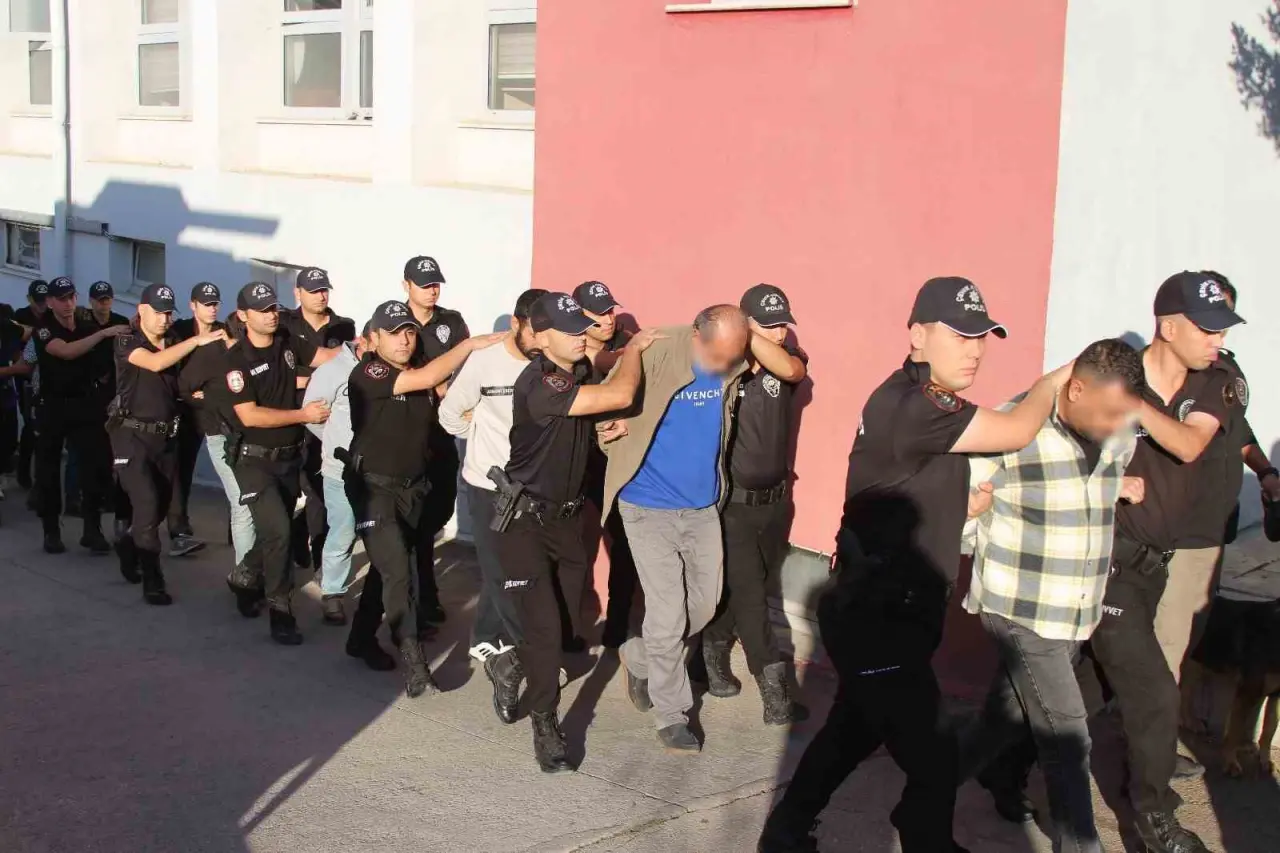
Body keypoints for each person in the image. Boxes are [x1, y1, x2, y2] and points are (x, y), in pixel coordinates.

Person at [758, 276, 1070, 853]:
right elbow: (1018, 429)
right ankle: (925, 839)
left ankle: (784, 832)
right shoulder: (919, 406)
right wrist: (1052, 384)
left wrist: (966, 505)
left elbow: (913, 484)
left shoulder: (911, 400)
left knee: (849, 733)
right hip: (881, 620)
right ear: (918, 335)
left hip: (887, 610)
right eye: (961, 336)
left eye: (982, 337)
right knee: (933, 758)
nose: (975, 350)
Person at [955, 339, 1145, 853]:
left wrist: (1116, 486)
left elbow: (1086, 484)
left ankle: (933, 784)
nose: (1117, 427)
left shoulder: (1117, 426)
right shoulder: (1012, 429)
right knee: (1068, 736)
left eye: (1124, 417)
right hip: (1020, 608)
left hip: (1076, 609)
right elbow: (962, 509)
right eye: (1109, 414)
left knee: (1004, 718)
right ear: (1075, 389)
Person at [1073, 271, 1240, 853]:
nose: (1217, 340)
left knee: (1083, 692)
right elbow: (1066, 442)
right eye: (1207, 328)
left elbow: (1190, 443)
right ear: (1168, 326)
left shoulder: (1214, 381)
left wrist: (1135, 405)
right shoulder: (1113, 373)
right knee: (1155, 694)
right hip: (1108, 561)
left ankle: (994, 762)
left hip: (1154, 565)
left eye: (1222, 329)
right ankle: (1154, 819)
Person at [494, 292, 660, 771]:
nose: (580, 336)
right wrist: (634, 350)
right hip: (525, 522)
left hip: (565, 521)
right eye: (568, 331)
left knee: (568, 628)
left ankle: (511, 662)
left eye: (580, 328)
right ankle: (546, 723)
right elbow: (621, 395)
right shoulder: (540, 381)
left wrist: (597, 431)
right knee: (547, 631)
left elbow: (575, 426)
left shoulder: (577, 372)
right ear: (540, 336)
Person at [597, 304, 751, 753]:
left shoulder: (732, 356)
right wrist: (607, 430)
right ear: (697, 335)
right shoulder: (657, 350)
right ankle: (672, 715)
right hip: (647, 505)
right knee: (667, 615)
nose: (726, 364)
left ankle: (637, 655)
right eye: (719, 355)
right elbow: (605, 402)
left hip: (702, 506)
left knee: (703, 606)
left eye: (734, 355)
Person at [344, 299, 505, 696]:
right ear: (374, 338)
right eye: (394, 333)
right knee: (399, 571)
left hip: (413, 488)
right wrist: (470, 345)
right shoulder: (370, 371)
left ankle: (360, 638)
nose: (404, 339)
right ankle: (415, 664)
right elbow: (428, 377)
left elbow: (450, 404)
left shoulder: (421, 379)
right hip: (374, 489)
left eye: (409, 332)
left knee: (387, 568)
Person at [700, 284, 809, 726]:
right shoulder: (725, 367)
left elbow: (791, 369)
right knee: (751, 596)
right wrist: (738, 336)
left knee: (749, 587)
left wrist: (751, 333)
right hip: (735, 506)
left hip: (776, 502)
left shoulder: (788, 360)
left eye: (784, 324)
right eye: (770, 325)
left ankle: (710, 651)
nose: (780, 333)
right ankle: (774, 694)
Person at [438, 288, 545, 722]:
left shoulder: (552, 362)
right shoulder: (484, 362)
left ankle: (486, 638)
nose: (542, 340)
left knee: (521, 570)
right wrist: (481, 437)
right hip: (488, 487)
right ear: (516, 324)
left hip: (536, 488)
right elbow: (450, 415)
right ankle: (522, 655)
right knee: (501, 571)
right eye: (535, 331)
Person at [222, 282, 338, 645]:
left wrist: (362, 350)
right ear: (243, 316)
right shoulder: (236, 360)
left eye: (273, 307)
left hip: (289, 456)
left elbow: (324, 357)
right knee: (281, 533)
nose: (271, 315)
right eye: (262, 310)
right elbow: (250, 415)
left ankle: (244, 575)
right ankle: (281, 610)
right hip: (254, 460)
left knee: (276, 532)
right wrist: (303, 414)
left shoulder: (287, 341)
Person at [109, 285, 227, 605]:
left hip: (166, 438)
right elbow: (154, 363)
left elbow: (190, 376)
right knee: (147, 503)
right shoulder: (127, 340)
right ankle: (153, 580)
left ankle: (129, 542)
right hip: (132, 436)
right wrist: (197, 340)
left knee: (160, 507)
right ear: (142, 310)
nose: (164, 319)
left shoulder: (175, 340)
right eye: (158, 312)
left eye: (168, 313)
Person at [32, 277, 127, 555]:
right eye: (62, 299)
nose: (68, 303)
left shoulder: (85, 327)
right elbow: (65, 351)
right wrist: (102, 334)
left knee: (94, 467)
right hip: (53, 406)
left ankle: (92, 529)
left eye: (72, 297)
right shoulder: (44, 329)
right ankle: (51, 530)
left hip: (85, 404)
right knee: (49, 470)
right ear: (50, 302)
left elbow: (107, 363)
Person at [402, 255, 470, 628]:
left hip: (443, 432)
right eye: (424, 283)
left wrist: (451, 390)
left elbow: (468, 365)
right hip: (409, 433)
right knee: (415, 525)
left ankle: (421, 593)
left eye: (435, 283)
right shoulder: (394, 321)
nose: (432, 290)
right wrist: (432, 385)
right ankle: (420, 601)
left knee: (439, 510)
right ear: (406, 285)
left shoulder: (452, 322)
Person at [179, 311, 260, 617]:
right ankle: (245, 578)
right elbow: (185, 388)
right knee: (243, 504)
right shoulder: (211, 354)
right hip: (221, 437)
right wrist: (210, 400)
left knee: (259, 505)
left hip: (254, 437)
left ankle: (257, 570)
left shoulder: (258, 354)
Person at [574, 280, 639, 650]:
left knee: (624, 545)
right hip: (576, 464)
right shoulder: (567, 349)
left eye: (610, 310)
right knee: (573, 549)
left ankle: (617, 624)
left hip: (616, 463)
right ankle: (569, 626)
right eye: (598, 313)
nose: (608, 318)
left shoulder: (625, 343)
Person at [283, 267, 356, 570]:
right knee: (291, 489)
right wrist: (310, 378)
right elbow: (278, 371)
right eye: (313, 290)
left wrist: (306, 375)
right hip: (291, 417)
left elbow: (347, 370)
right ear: (297, 293)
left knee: (320, 491)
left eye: (324, 289)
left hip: (326, 420)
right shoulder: (284, 324)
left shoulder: (344, 327)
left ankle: (319, 558)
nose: (321, 295)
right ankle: (296, 536)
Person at [301, 321, 368, 628]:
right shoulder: (331, 370)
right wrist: (336, 441)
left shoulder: (388, 370)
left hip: (380, 469)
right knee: (343, 530)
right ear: (365, 339)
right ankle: (333, 592)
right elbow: (312, 416)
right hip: (341, 468)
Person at [165, 282, 224, 557]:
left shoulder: (224, 332)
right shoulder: (179, 331)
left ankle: (238, 531)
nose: (212, 309)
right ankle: (178, 529)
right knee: (179, 469)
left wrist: (212, 391)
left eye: (215, 304)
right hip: (181, 410)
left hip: (212, 409)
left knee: (230, 467)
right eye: (206, 304)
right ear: (193, 305)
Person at [13, 279, 50, 490]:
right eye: (38, 301)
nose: (42, 306)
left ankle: (39, 476)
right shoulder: (20, 316)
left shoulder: (51, 316)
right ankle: (24, 472)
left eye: (45, 301)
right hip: (26, 376)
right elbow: (14, 346)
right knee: (29, 424)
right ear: (30, 299)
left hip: (45, 376)